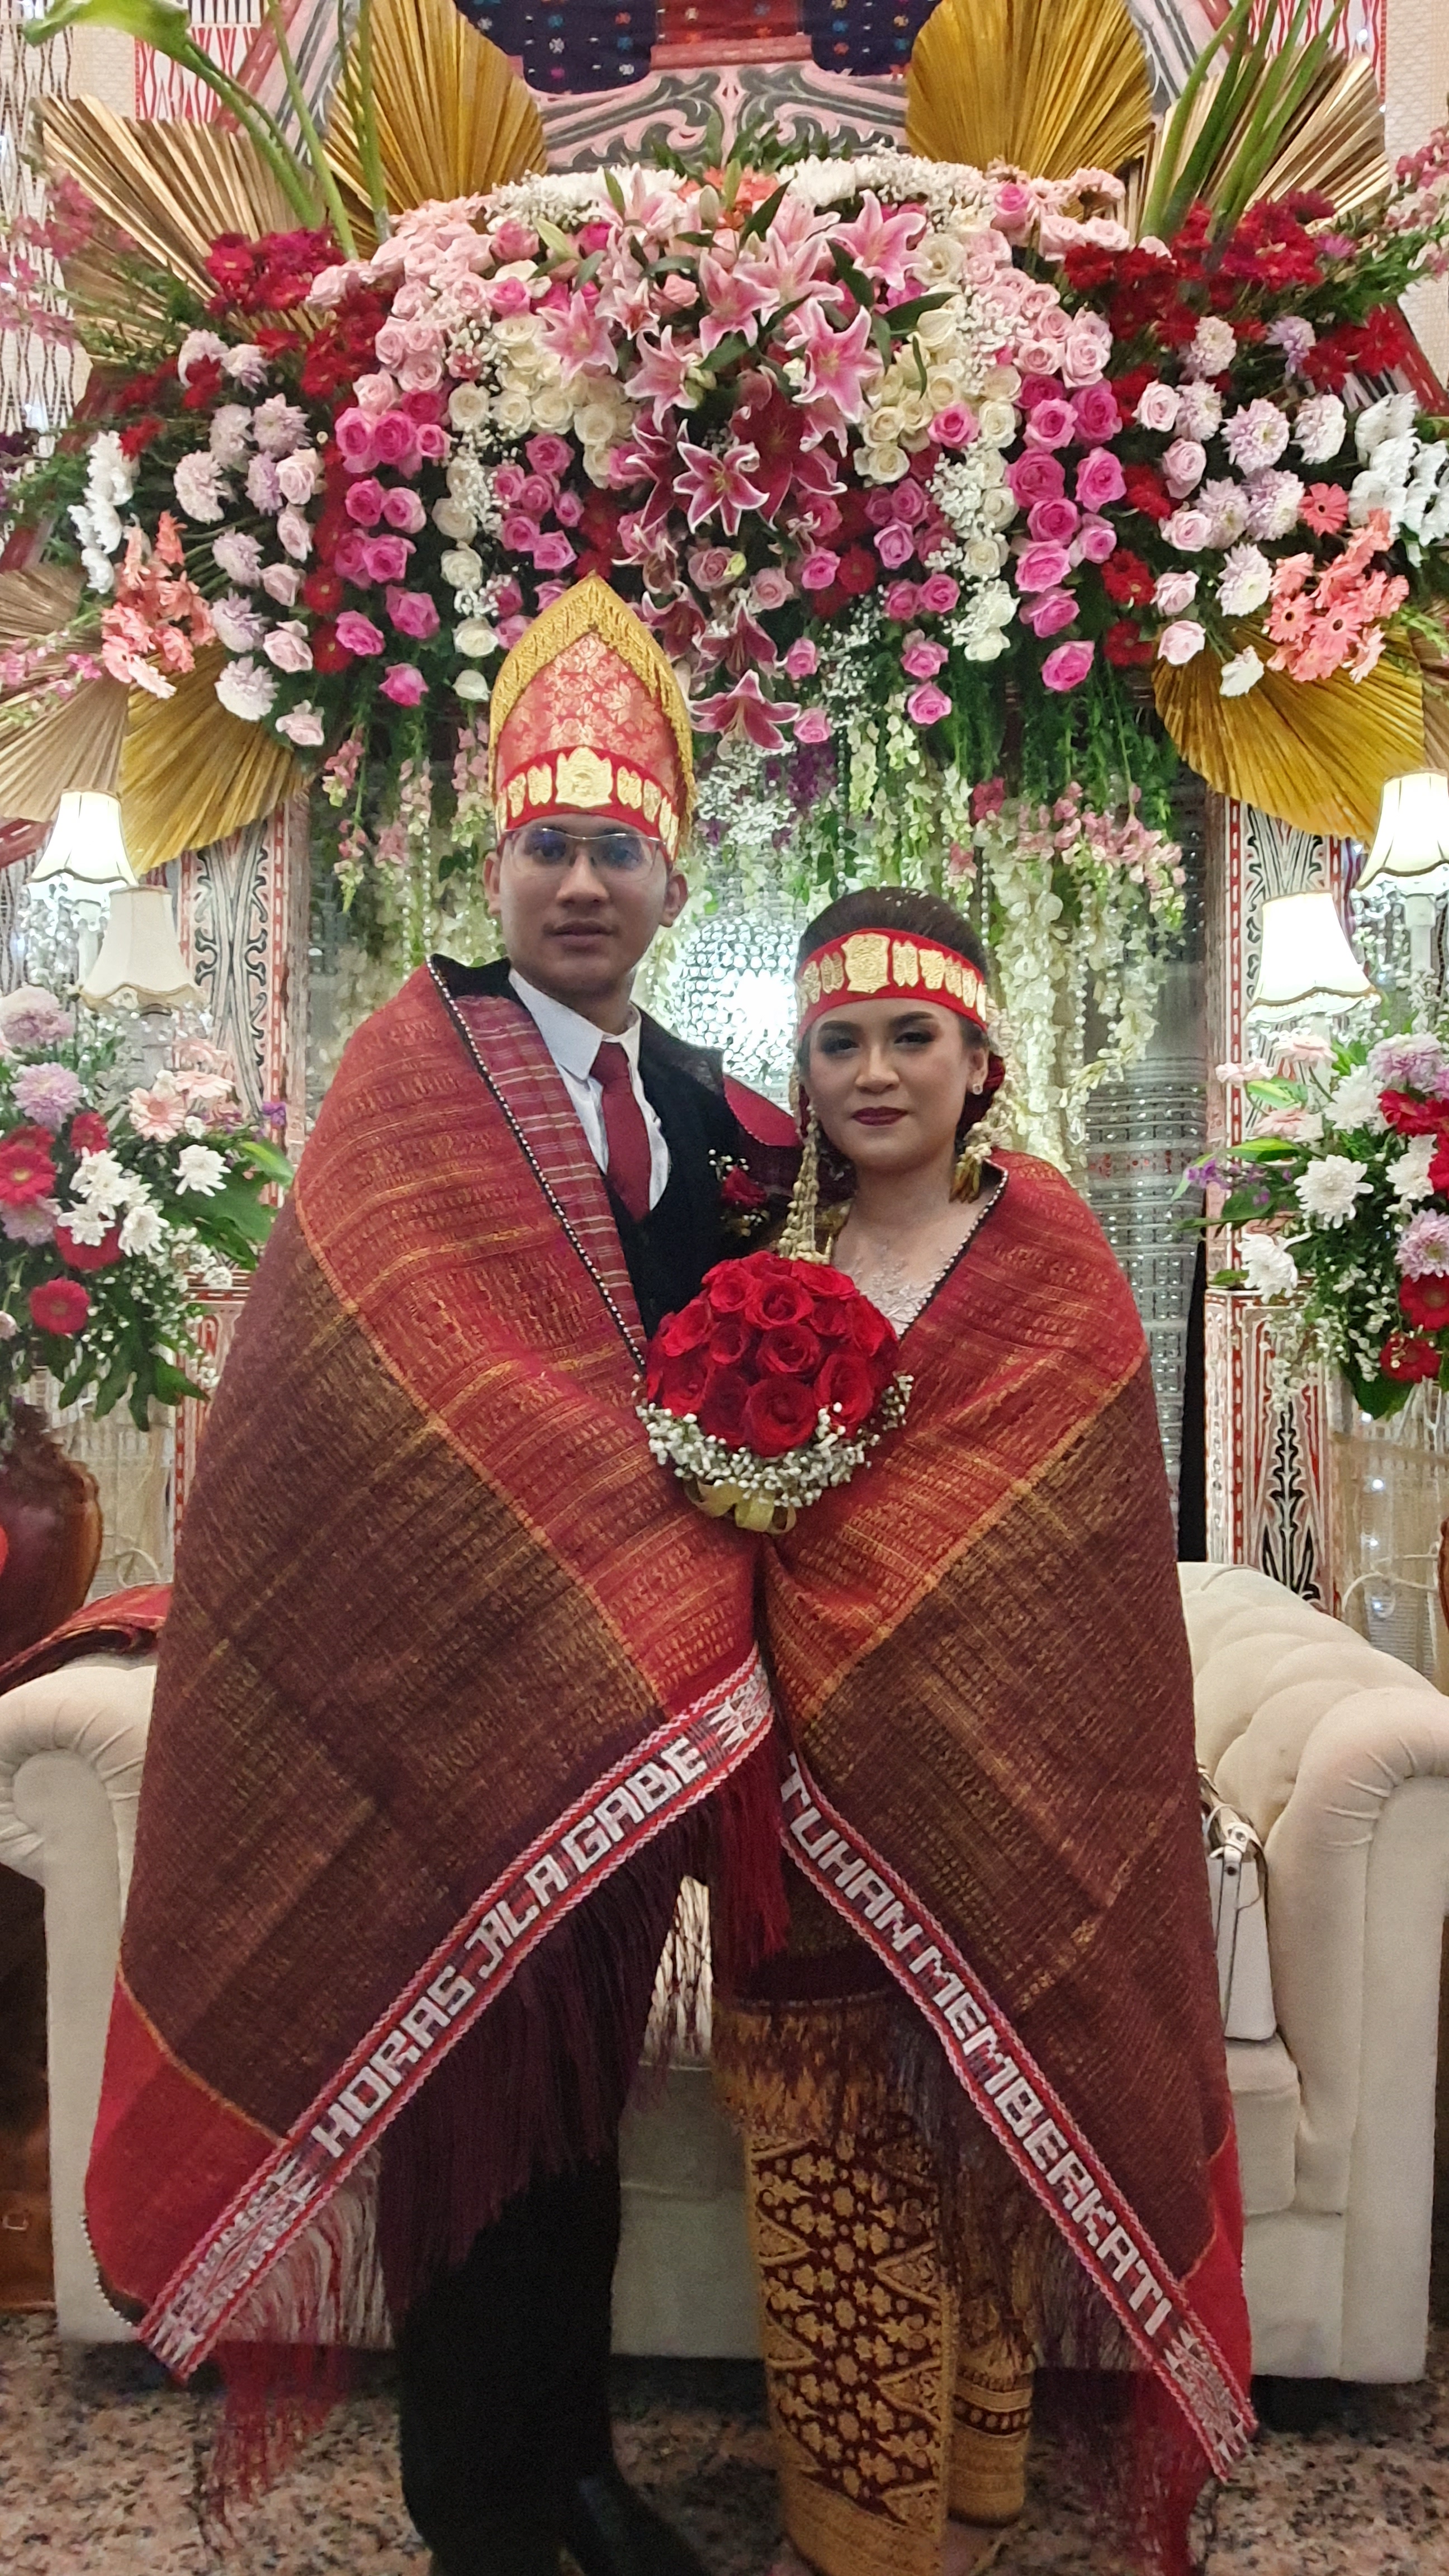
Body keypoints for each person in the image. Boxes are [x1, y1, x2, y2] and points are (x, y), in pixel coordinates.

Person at [83, 578, 793, 2576]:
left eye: (617, 850)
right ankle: (477, 2507)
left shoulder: (727, 1123)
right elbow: (330, 1391)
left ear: (673, 882)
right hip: (439, 1696)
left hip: (631, 1703)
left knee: (576, 2107)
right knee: (465, 2123)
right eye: (547, 846)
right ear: (494, 868)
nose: (580, 883)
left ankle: (576, 2469)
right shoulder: (413, 1079)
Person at [713, 886, 1253, 2576]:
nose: (875, 1072)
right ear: (804, 1070)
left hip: (1010, 1792)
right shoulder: (765, 1275)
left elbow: (1085, 1557)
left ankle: (979, 2484)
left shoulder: (1052, 1258)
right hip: (801, 1791)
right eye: (839, 1042)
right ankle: (855, 2527)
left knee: (983, 2128)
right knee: (824, 2145)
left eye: (912, 1036)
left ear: (978, 1056)